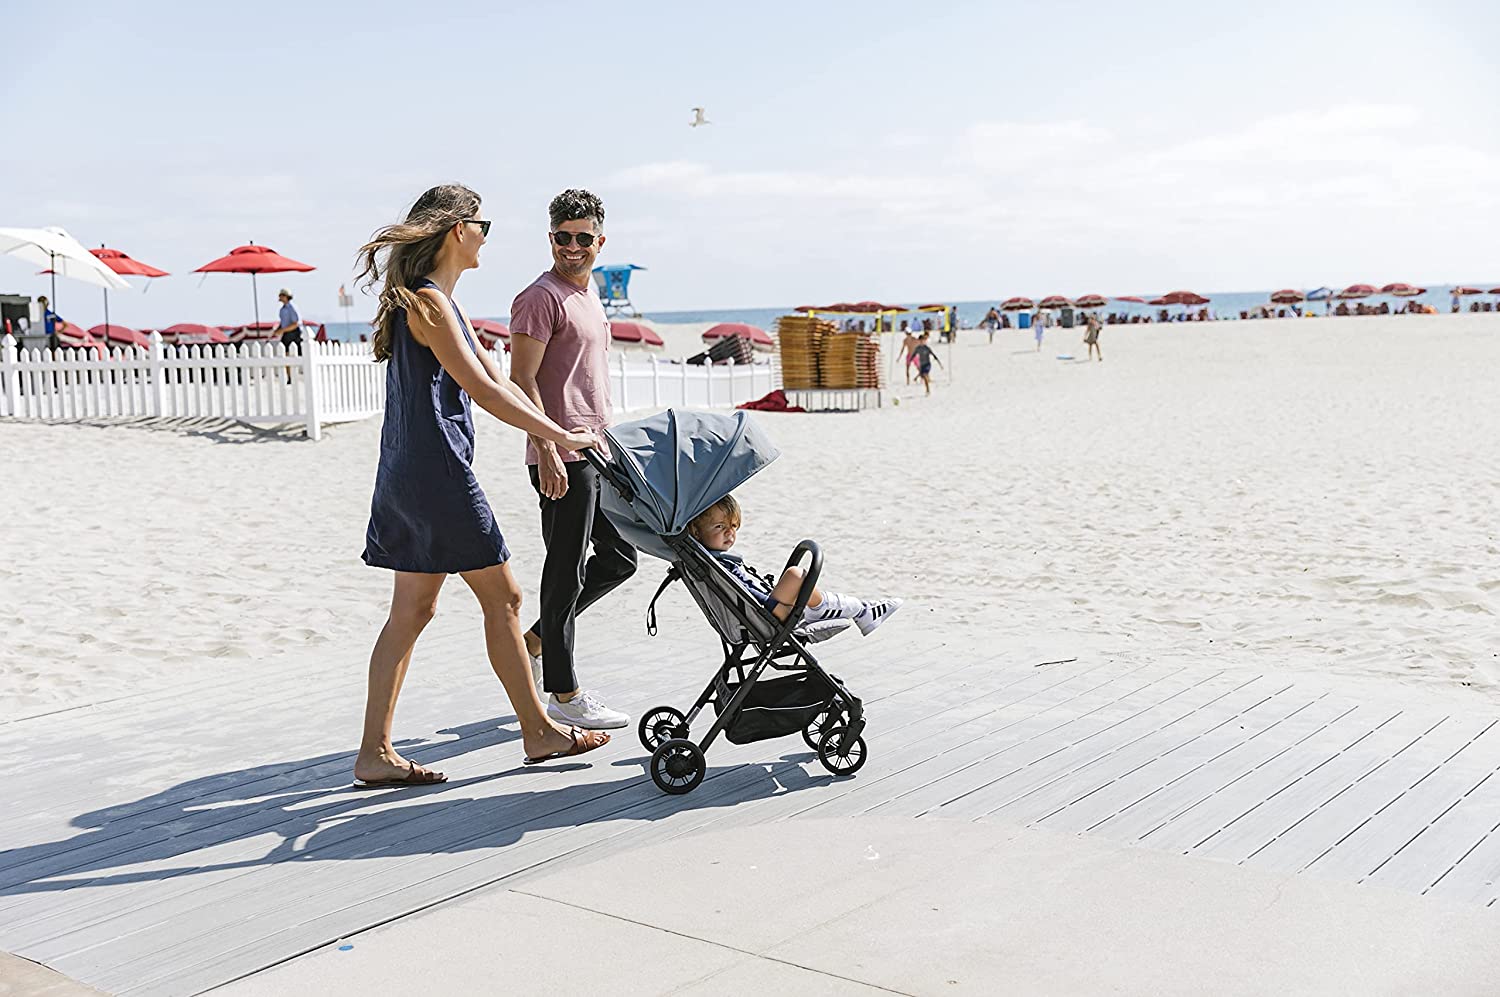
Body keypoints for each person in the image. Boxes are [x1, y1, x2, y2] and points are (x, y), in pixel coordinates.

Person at [353, 183, 611, 786]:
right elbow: (487, 391)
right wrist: (560, 436)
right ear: (457, 230)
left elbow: (500, 380)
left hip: (409, 472)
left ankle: (375, 753)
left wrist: (546, 436)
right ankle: (538, 730)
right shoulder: (430, 304)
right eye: (482, 226)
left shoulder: (439, 302)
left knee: (413, 610)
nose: (486, 238)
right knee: (507, 599)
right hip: (437, 474)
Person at [509, 189, 635, 731]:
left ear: (600, 241)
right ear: (551, 237)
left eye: (584, 237)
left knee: (620, 559)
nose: (573, 246)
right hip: (559, 455)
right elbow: (521, 380)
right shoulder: (540, 298)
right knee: (564, 569)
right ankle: (563, 692)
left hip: (596, 453)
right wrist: (547, 449)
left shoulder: (587, 295)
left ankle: (536, 641)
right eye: (563, 237)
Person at [688, 495, 902, 634]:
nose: (730, 533)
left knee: (798, 579)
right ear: (696, 532)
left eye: (734, 526)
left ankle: (859, 611)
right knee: (795, 575)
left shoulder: (706, 560)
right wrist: (772, 605)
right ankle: (858, 611)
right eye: (719, 527)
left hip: (756, 614)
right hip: (765, 615)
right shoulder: (718, 565)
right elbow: (742, 591)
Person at [912, 331, 942, 395]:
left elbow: (934, 355)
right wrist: (910, 360)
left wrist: (940, 364)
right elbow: (914, 355)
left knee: (925, 375)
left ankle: (928, 390)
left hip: (927, 364)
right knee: (923, 376)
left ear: (925, 341)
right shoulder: (918, 348)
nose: (921, 342)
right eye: (920, 341)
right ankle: (927, 387)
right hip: (921, 365)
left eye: (923, 341)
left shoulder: (927, 348)